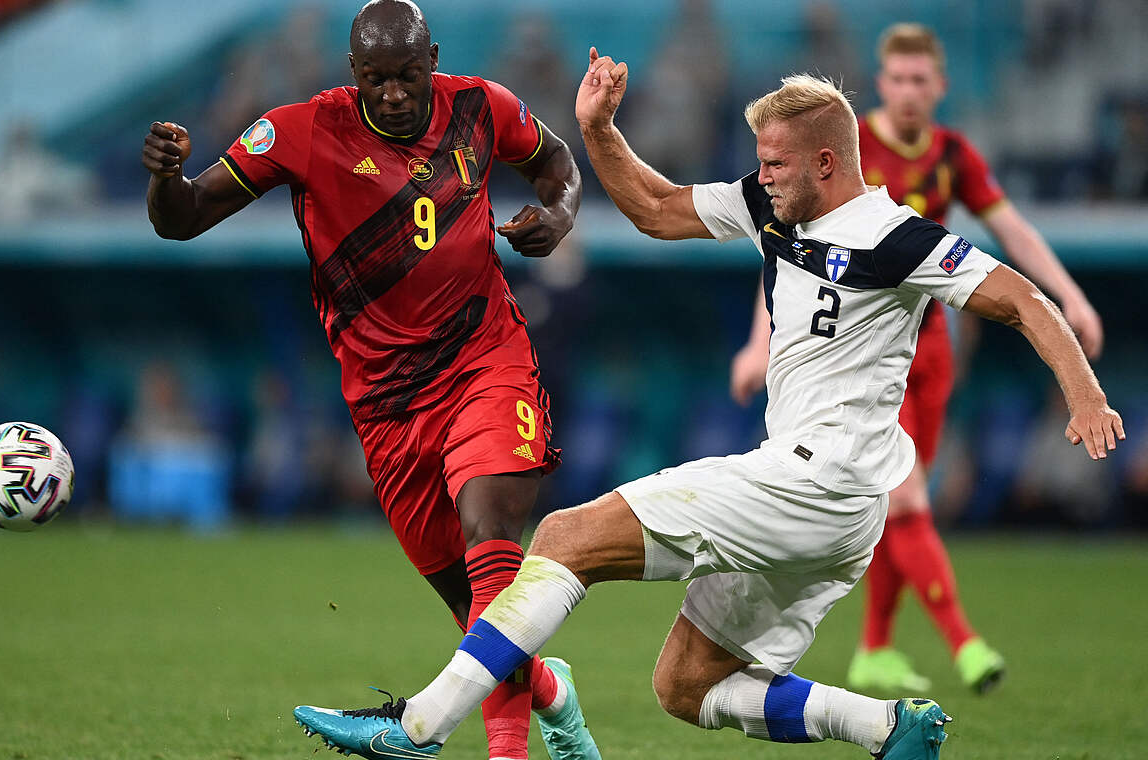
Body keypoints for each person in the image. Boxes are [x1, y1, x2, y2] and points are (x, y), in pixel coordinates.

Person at [291, 49, 1125, 760]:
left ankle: (420, 726)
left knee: (564, 538)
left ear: (827, 163)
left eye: (776, 163)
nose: (761, 176)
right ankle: (886, 727)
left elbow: (1024, 299)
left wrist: (1085, 394)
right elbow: (657, 209)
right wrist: (598, 130)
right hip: (838, 511)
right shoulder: (773, 207)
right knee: (685, 686)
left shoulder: (894, 236)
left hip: (819, 480)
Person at [140, 3, 596, 759]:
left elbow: (558, 164)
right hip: (386, 407)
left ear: (433, 60)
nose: (392, 94)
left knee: (492, 542)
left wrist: (560, 212)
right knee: (479, 617)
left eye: (407, 76)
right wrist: (165, 178)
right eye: (376, 79)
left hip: (486, 362)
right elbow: (181, 218)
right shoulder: (301, 132)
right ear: (353, 72)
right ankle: (553, 693)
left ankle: (497, 752)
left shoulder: (480, 107)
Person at [728, 22, 1104, 695]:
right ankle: (965, 643)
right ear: (881, 83)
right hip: (858, 344)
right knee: (903, 496)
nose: (907, 92)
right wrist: (761, 343)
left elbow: (1013, 231)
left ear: (939, 87)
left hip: (929, 345)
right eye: (897, 79)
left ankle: (874, 646)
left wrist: (1069, 297)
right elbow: (791, 251)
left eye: (919, 81)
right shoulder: (844, 149)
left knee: (899, 497)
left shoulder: (953, 155)